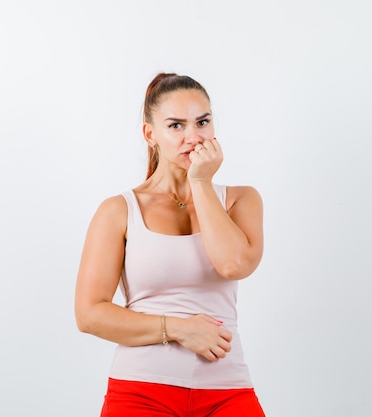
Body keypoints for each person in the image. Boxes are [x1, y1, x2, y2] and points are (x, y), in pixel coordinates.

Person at [75, 73, 265, 416]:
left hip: (227, 392)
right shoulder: (119, 210)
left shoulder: (241, 200)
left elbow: (234, 265)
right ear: (151, 134)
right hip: (140, 392)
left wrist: (201, 183)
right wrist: (178, 329)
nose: (193, 137)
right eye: (176, 126)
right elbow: (89, 314)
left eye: (202, 122)